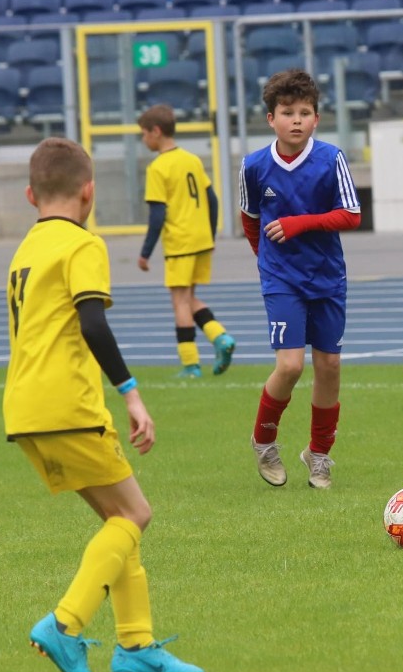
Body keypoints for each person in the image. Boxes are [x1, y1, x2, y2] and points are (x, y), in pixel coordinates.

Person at [3, 137, 206, 672]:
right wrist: (132, 394)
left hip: (23, 408)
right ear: (89, 192)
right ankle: (64, 623)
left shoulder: (26, 247)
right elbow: (91, 322)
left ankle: (137, 646)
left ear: (30, 195)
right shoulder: (82, 243)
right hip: (68, 404)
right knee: (135, 516)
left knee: (121, 521)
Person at [238, 69, 361, 489]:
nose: (296, 120)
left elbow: (352, 214)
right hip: (281, 280)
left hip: (327, 277)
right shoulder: (254, 166)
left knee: (328, 365)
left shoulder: (331, 159)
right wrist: (267, 261)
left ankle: (319, 454)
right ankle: (264, 441)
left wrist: (298, 224)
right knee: (289, 365)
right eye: (287, 112)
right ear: (271, 118)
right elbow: (250, 219)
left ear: (316, 119)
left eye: (304, 112)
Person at [137, 103, 235, 379]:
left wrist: (145, 252)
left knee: (179, 301)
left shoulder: (158, 167)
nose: (144, 139)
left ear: (156, 132)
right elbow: (211, 199)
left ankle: (191, 364)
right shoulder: (191, 159)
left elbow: (158, 214)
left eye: (144, 134)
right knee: (188, 297)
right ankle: (220, 337)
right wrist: (211, 235)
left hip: (179, 241)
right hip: (201, 237)